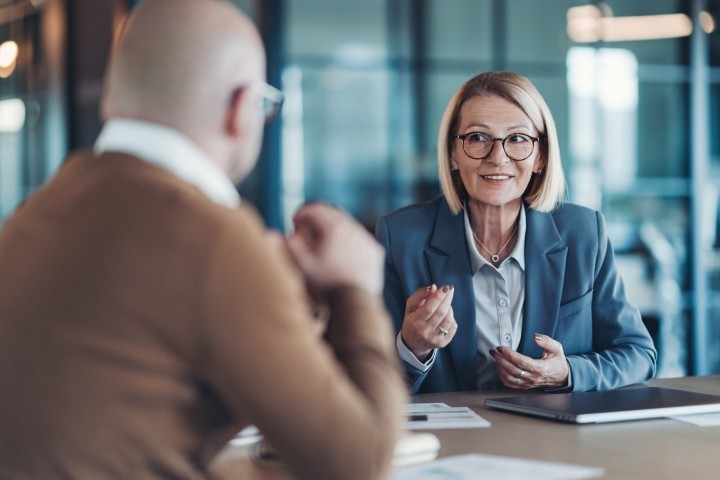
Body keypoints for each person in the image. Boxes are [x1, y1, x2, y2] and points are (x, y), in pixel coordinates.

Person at [0, 1, 405, 479]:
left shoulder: (35, 214)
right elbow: (360, 461)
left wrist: (281, 292)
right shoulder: (214, 238)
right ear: (241, 107)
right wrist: (354, 286)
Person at [376, 71, 657, 394]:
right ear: (453, 153)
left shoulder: (583, 233)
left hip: (557, 439)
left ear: (541, 157)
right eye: (478, 138)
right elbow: (368, 386)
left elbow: (639, 354)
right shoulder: (401, 236)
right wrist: (413, 348)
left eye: (518, 139)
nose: (498, 158)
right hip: (453, 440)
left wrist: (567, 373)